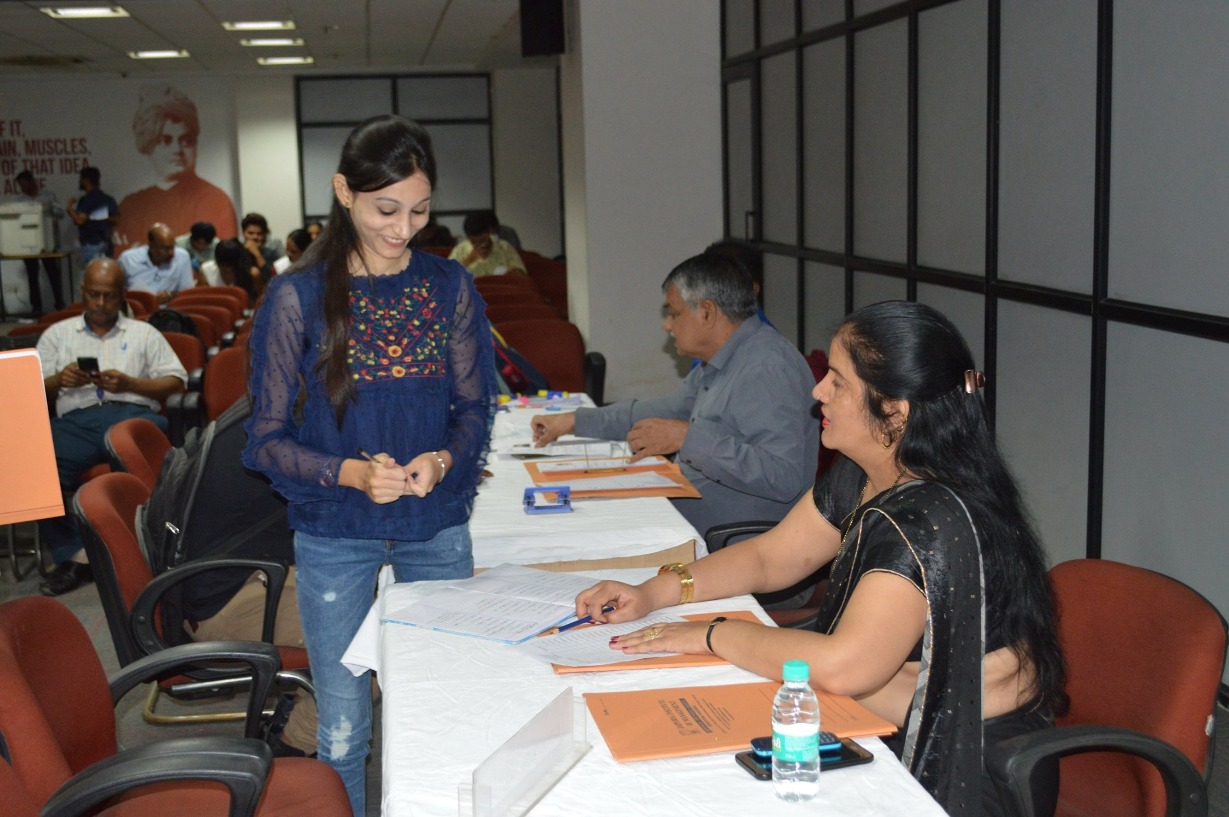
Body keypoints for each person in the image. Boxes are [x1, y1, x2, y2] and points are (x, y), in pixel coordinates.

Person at [573, 301, 1066, 817]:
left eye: (838, 382)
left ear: (894, 411)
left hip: (959, 762)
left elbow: (843, 666)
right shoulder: (867, 473)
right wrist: (654, 591)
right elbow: (771, 557)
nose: (817, 391)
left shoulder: (929, 518)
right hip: (878, 715)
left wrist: (711, 634)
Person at [242, 114, 498, 817]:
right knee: (343, 729)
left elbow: (475, 408)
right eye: (386, 210)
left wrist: (443, 458)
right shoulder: (297, 297)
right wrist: (349, 473)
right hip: (335, 531)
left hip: (433, 524)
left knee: (444, 707)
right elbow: (265, 440)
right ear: (343, 193)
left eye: (419, 210)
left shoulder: (447, 286)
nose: (403, 228)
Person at [531, 252, 818, 538]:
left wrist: (687, 438)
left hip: (736, 541)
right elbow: (666, 411)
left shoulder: (767, 367)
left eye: (674, 313)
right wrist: (576, 421)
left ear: (707, 312)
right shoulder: (722, 359)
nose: (666, 325)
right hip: (692, 516)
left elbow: (783, 476)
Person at [36, 258, 187, 596]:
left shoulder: (144, 333)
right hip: (77, 422)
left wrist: (131, 384)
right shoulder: (58, 335)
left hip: (132, 417)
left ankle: (148, 550)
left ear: (122, 295)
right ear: (82, 292)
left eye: (109, 295)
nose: (101, 303)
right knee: (37, 467)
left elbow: (176, 382)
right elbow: (29, 390)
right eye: (94, 295)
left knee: (136, 454)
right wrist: (59, 380)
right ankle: (74, 555)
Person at [113, 85, 238, 253]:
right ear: (148, 145)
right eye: (165, 140)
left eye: (186, 140)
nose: (177, 150)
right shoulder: (130, 205)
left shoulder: (215, 199)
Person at [11, 170, 66, 315]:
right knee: (32, 276)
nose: (22, 188)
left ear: (32, 182)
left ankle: (59, 304)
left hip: (48, 242)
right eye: (20, 186)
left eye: (24, 184)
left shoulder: (48, 196)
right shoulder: (20, 201)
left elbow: (61, 214)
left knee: (53, 274)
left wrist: (49, 207)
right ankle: (36, 307)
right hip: (29, 243)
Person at [118, 223, 196, 304]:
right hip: (137, 308)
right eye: (165, 249)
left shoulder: (182, 257)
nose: (171, 253)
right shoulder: (128, 260)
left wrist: (170, 296)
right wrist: (151, 300)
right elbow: (117, 293)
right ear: (151, 246)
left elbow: (187, 293)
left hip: (168, 309)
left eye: (173, 247)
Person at [66, 166, 119, 266]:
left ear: (85, 180)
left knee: (93, 273)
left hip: (91, 245)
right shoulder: (108, 199)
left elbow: (80, 220)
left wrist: (69, 209)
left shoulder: (87, 200)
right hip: (106, 244)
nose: (79, 182)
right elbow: (116, 220)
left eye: (81, 179)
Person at [449, 210, 526, 277]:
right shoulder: (460, 250)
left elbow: (521, 274)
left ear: (490, 232)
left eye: (483, 240)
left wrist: (512, 273)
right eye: (473, 242)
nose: (479, 245)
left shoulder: (504, 247)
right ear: (468, 237)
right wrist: (468, 260)